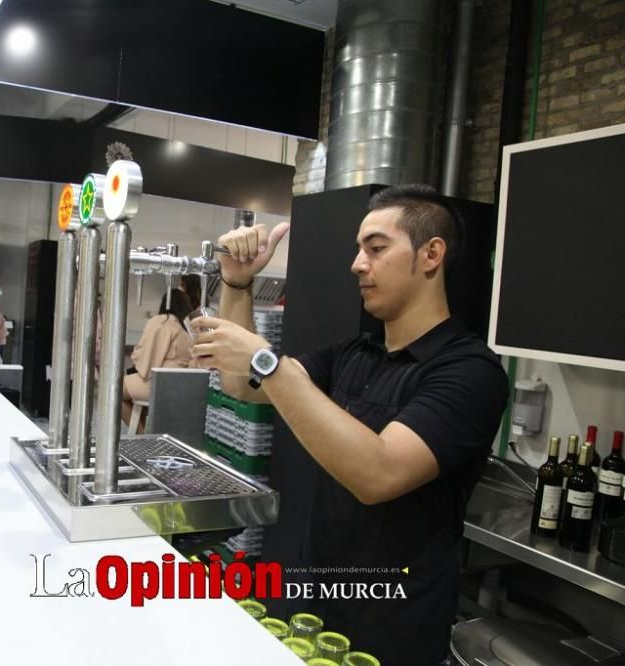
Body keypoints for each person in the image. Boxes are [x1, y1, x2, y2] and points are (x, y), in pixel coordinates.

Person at [191, 185, 508, 666]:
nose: (358, 264)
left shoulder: (469, 372)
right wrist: (236, 286)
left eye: (376, 249)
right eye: (360, 250)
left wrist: (268, 363)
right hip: (316, 605)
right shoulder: (352, 355)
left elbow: (378, 474)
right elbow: (243, 385)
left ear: (431, 255)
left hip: (394, 630)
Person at [121, 288, 194, 428]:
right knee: (132, 394)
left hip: (162, 383)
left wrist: (136, 355)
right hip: (186, 386)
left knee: (114, 391)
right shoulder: (190, 326)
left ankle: (140, 436)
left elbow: (146, 356)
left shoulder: (162, 321)